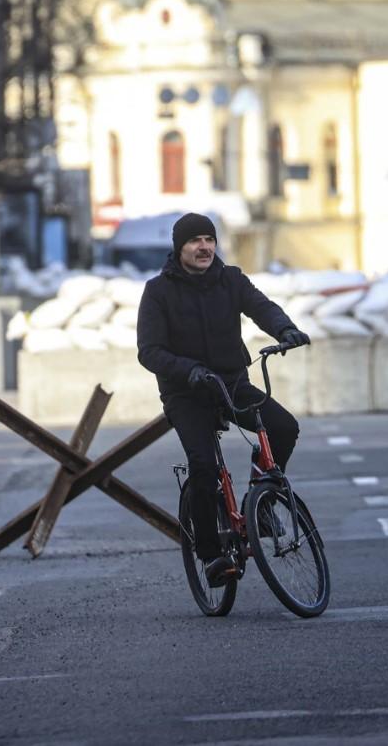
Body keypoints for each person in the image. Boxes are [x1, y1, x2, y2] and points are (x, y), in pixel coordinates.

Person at [136, 212, 311, 587]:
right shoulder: (158, 291)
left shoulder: (230, 279)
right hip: (186, 392)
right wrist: (188, 370)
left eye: (209, 240)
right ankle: (212, 554)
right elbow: (149, 352)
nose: (204, 247)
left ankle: (260, 503)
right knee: (203, 466)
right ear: (179, 247)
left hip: (231, 382)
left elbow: (261, 307)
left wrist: (286, 329)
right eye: (194, 241)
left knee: (284, 427)